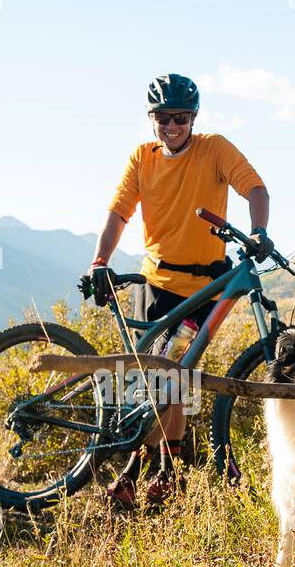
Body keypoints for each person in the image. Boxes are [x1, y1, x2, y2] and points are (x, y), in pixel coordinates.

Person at [86, 74, 272, 509]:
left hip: (202, 286)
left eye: (181, 118)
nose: (173, 126)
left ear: (193, 118)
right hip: (156, 283)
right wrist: (100, 260)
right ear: (152, 119)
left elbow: (256, 188)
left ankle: (157, 472)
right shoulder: (142, 158)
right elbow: (118, 212)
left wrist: (260, 229)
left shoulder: (215, 149)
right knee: (158, 380)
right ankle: (153, 470)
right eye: (164, 118)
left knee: (175, 373)